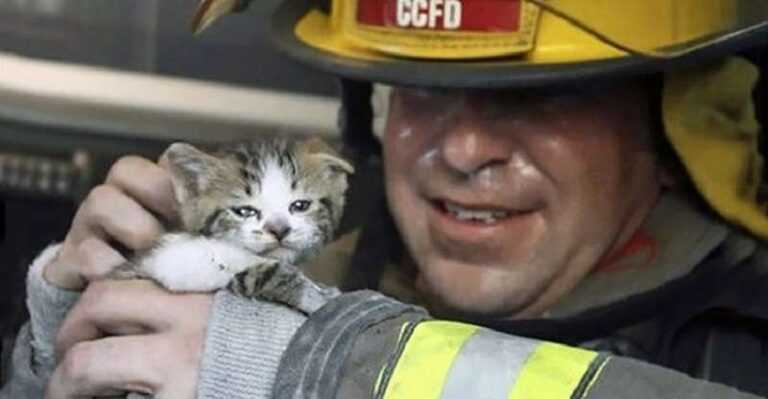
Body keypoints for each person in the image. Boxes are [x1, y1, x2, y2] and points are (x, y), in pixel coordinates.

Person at [4, 0, 768, 398]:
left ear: (679, 128)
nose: (464, 151)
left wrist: (322, 373)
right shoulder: (271, 301)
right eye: (424, 92)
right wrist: (72, 351)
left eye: (538, 98)